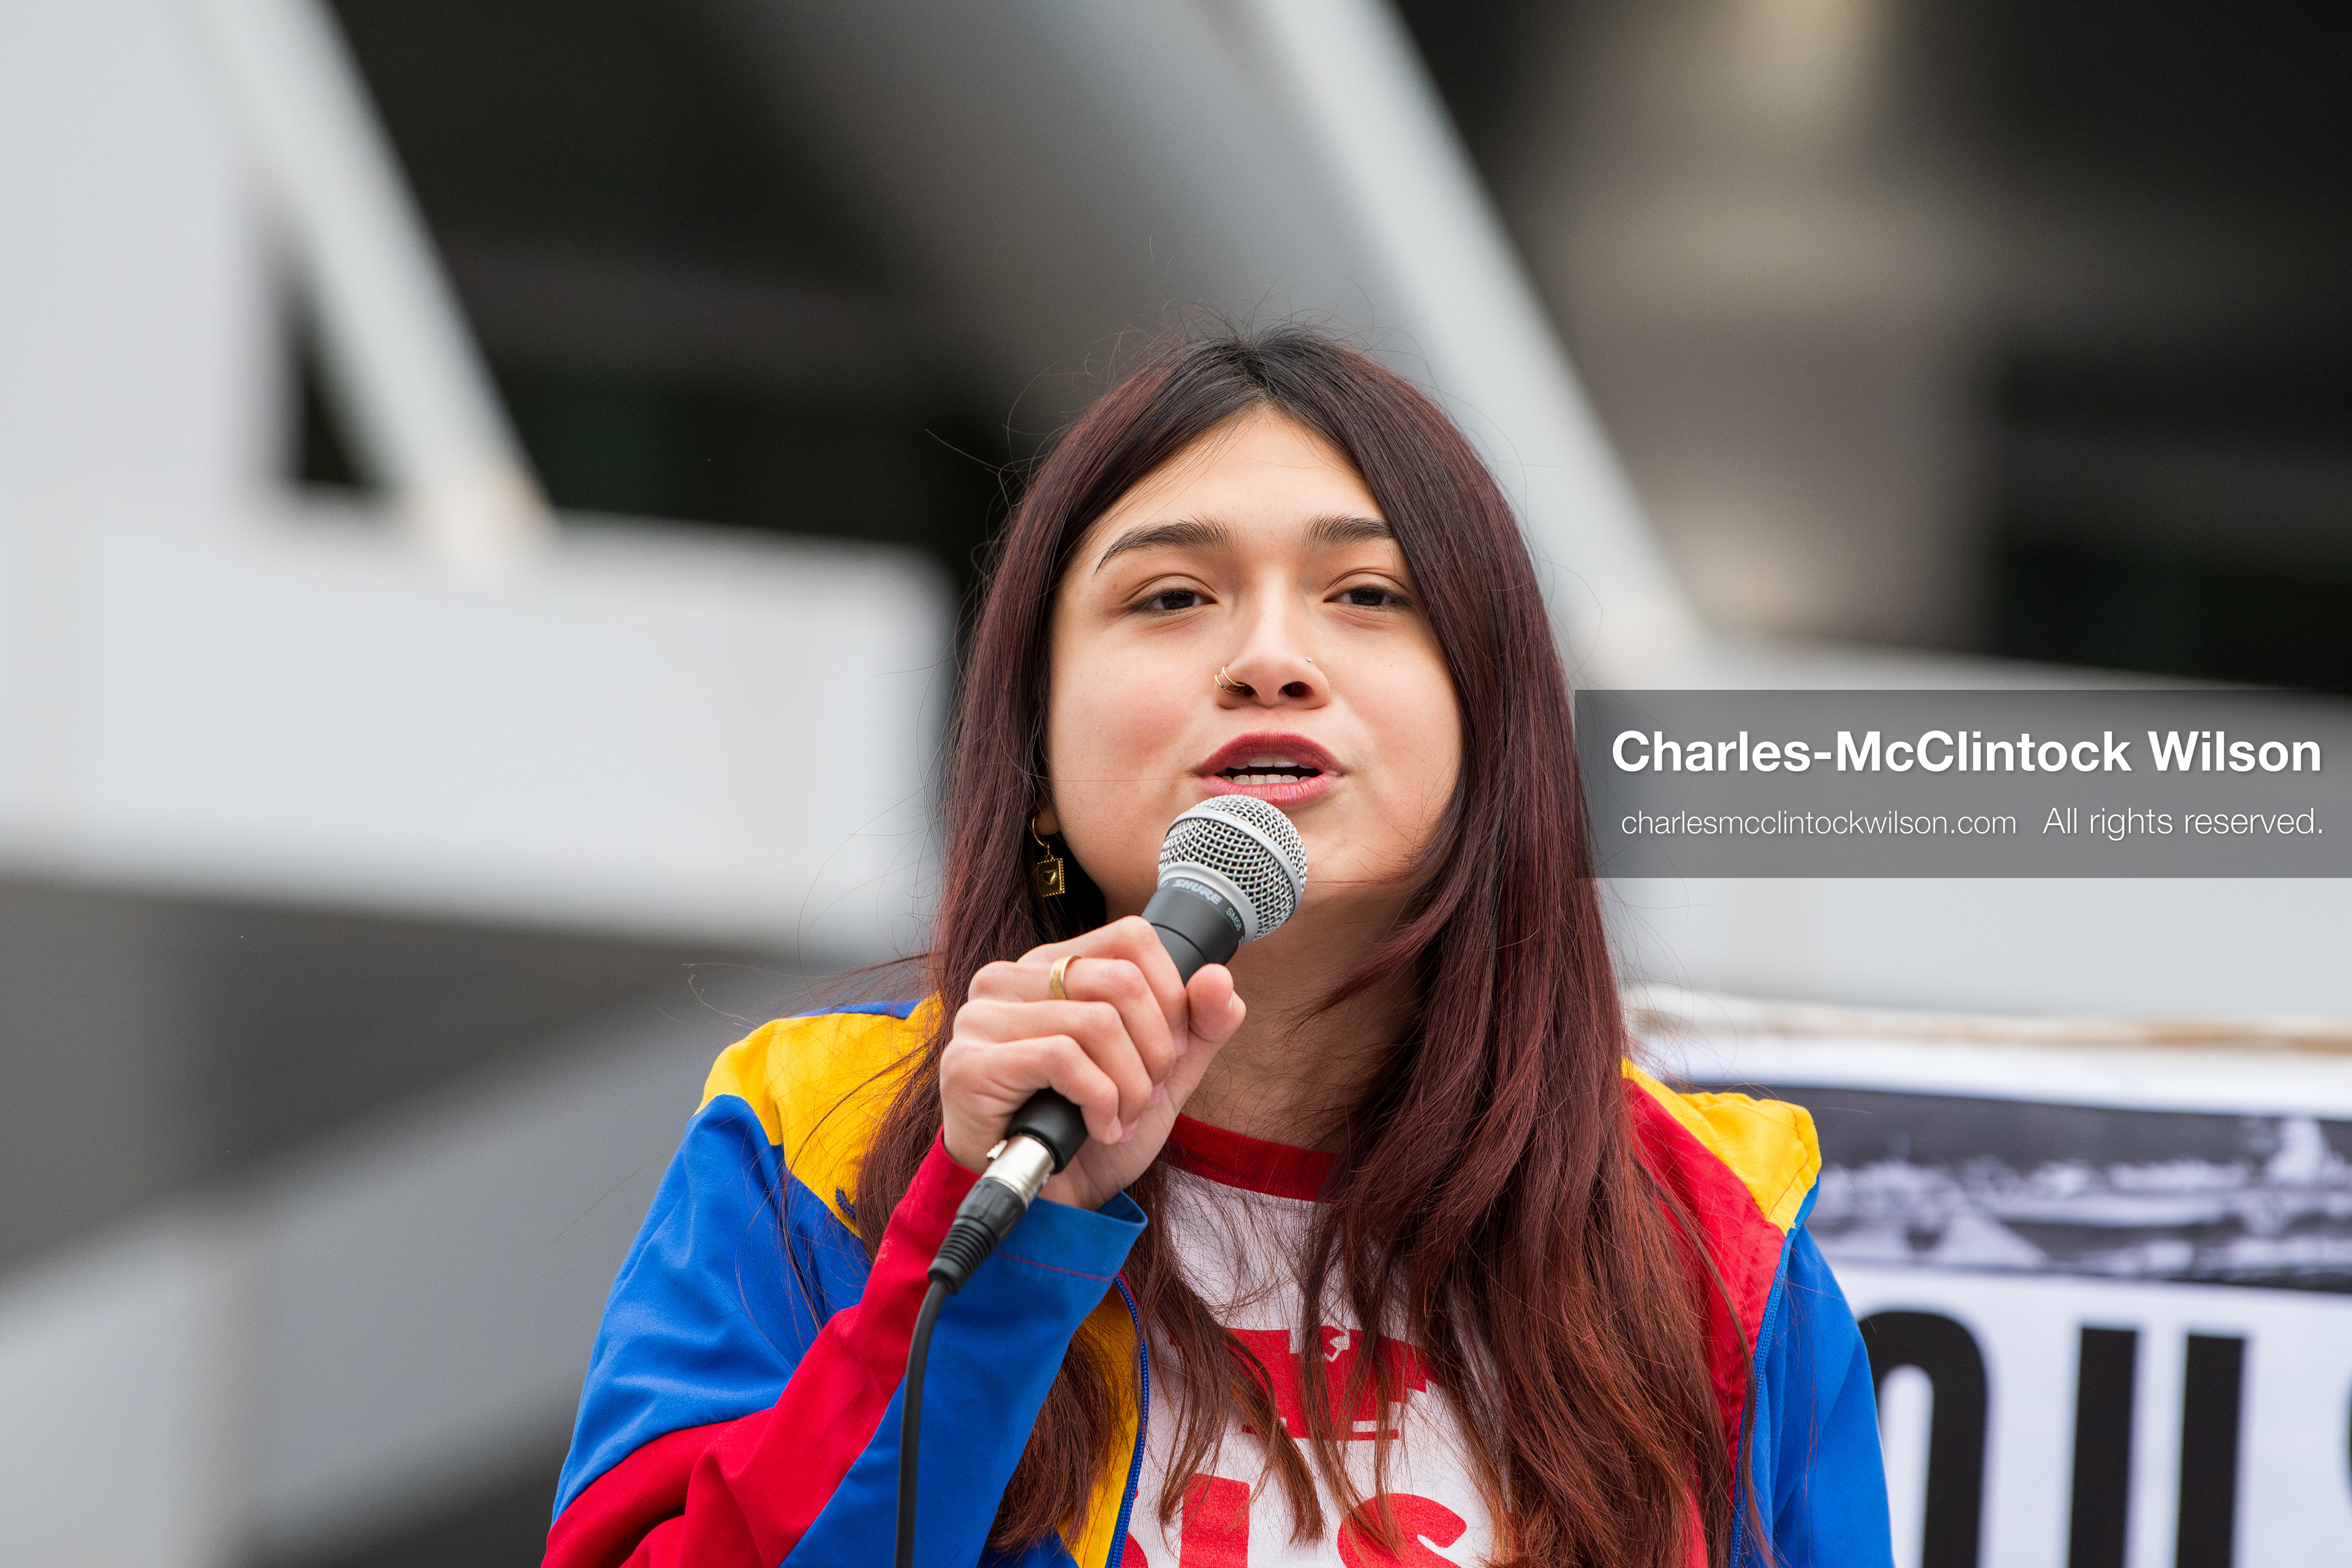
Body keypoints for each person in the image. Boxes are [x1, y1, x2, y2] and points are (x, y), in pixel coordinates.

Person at [543, 327, 1891, 1568]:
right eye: (1173, 595)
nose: (1266, 657)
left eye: (1365, 592)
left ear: (1501, 736)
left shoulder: (1710, 1239)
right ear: (1038, 749)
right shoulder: (809, 1139)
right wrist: (995, 1237)